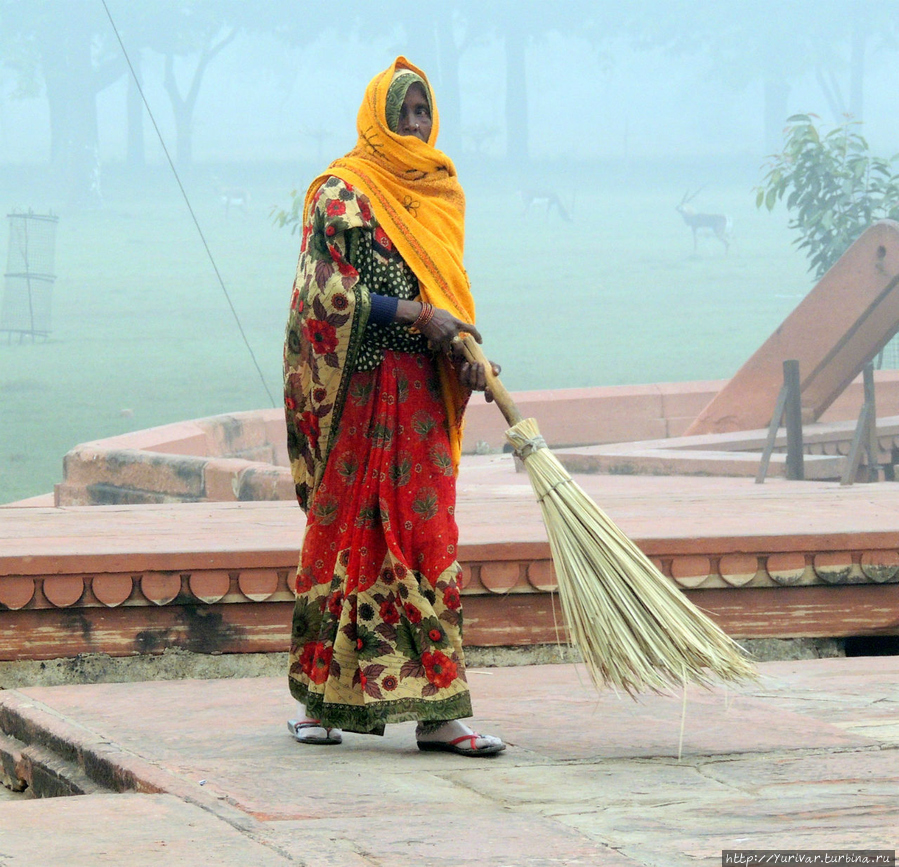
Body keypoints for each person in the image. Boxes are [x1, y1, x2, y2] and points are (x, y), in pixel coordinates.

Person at [282, 57, 505, 757]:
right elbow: (322, 294)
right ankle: (320, 700)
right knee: (346, 542)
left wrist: (462, 351)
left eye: (422, 113)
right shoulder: (344, 191)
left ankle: (439, 714)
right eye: (404, 112)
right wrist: (417, 315)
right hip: (363, 392)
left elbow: (450, 297)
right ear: (378, 116)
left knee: (430, 544)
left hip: (424, 403)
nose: (415, 125)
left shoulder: (438, 193)